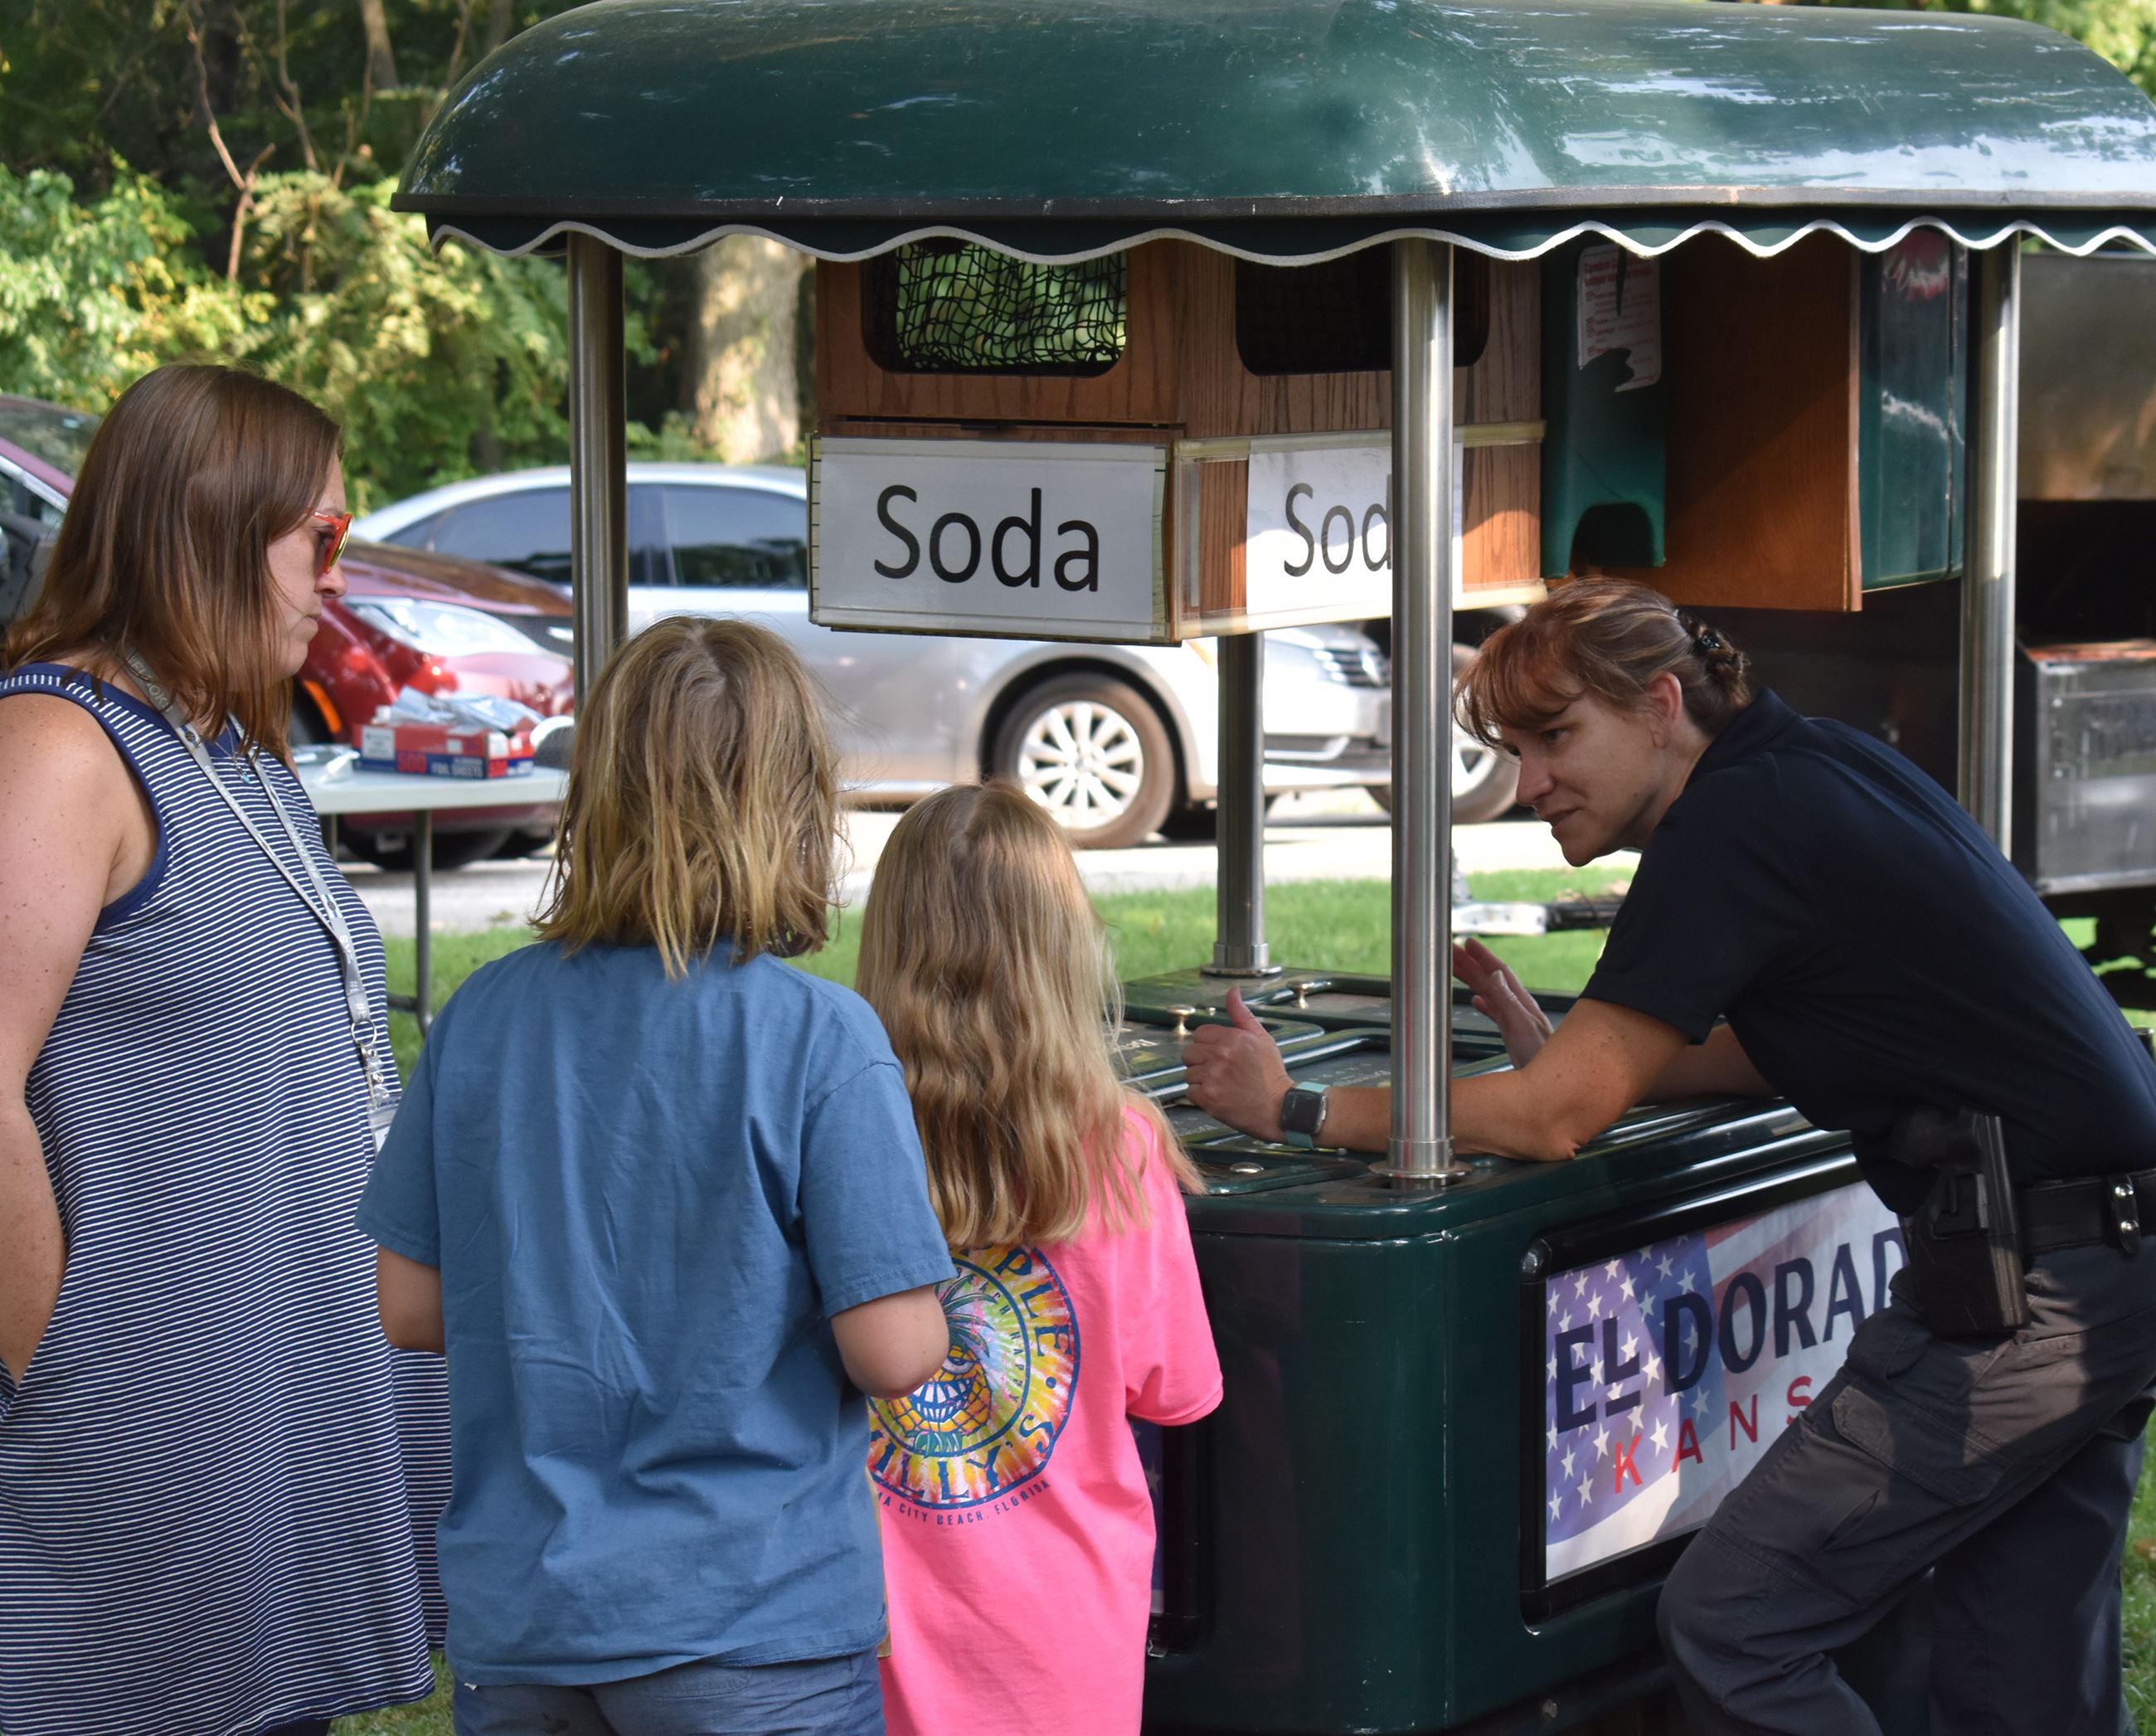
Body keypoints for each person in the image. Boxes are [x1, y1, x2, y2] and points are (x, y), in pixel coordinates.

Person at [1182, 579, 2156, 1735]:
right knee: (2021, 1662)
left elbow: (1552, 1121)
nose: (1533, 783)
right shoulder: (1812, 765)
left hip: (2031, 1293)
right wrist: (1598, 1057)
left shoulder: (1731, 827)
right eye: (1516, 749)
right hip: (2113, 1257)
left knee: (1740, 1622)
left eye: (1557, 739)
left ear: (1658, 705)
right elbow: (1793, 1041)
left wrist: (1294, 1106)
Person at [357, 615, 955, 1736]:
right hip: (752, 1620)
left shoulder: (483, 1015)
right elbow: (893, 1346)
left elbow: (411, 1304)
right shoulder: (820, 1037)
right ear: (793, 805)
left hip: (527, 1620)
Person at [0, 363, 435, 1735]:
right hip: (130, 1455)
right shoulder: (62, 744)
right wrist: (58, 1357)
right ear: (210, 527)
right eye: (322, 539)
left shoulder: (233, 746)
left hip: (262, 1446)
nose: (334, 579)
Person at [855, 780, 1223, 1736]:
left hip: (873, 1636)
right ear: (1065, 947)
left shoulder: (840, 1133)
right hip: (1063, 1644)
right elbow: (1170, 1388)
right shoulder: (1124, 1150)